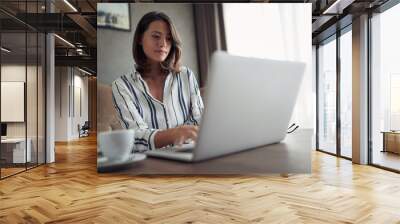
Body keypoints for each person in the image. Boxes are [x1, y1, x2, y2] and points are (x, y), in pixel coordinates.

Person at [112, 11, 204, 151]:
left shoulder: (187, 76)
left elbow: (199, 121)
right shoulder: (121, 86)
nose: (163, 43)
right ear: (140, 39)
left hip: (188, 155)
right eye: (156, 36)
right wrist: (174, 134)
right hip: (149, 164)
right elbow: (135, 137)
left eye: (168, 38)